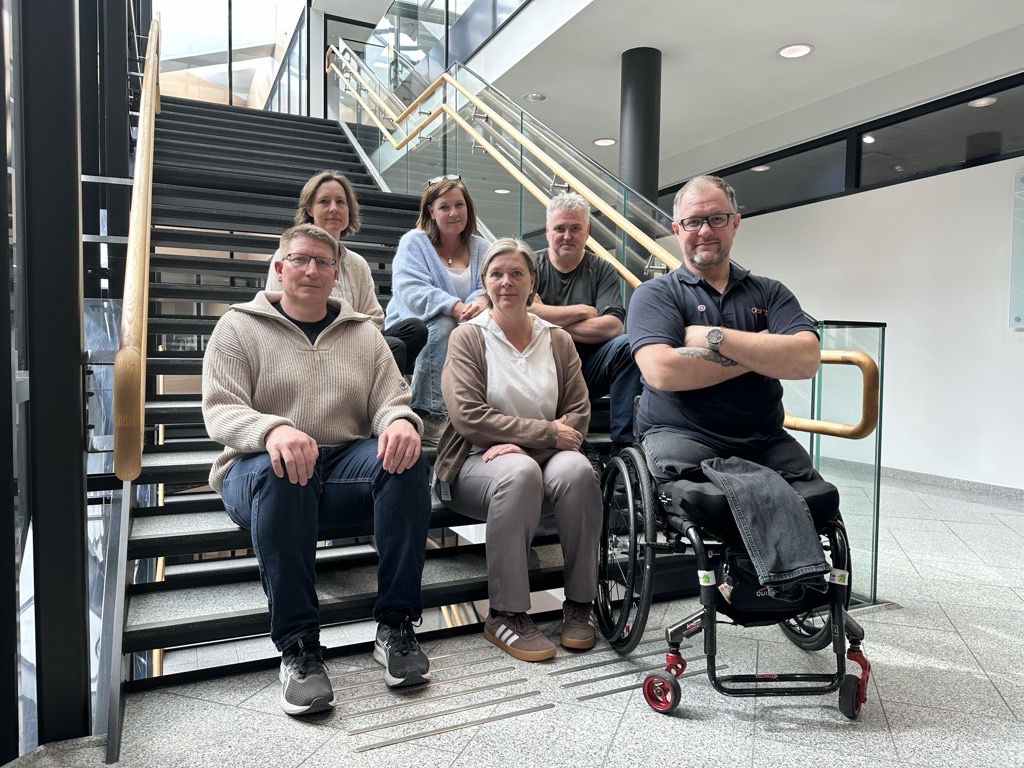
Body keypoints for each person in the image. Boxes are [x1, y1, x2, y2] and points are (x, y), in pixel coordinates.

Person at [204, 223, 432, 716]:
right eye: (300, 259)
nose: (311, 269)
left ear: (336, 274)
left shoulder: (364, 334)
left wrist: (399, 422)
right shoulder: (237, 327)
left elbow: (390, 400)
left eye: (323, 262)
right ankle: (299, 646)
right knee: (283, 470)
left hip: (342, 463)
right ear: (279, 267)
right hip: (257, 469)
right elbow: (220, 410)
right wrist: (272, 430)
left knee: (408, 459)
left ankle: (396, 625)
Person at [434, 237, 602, 662]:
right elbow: (469, 416)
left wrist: (528, 443)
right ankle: (505, 614)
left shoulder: (557, 339)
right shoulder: (468, 337)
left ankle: (580, 604)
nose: (506, 282)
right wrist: (542, 434)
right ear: (485, 282)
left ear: (533, 283)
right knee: (518, 471)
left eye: (516, 273)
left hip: (544, 458)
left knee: (578, 471)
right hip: (476, 461)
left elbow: (579, 410)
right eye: (496, 274)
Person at [626, 175, 822, 484]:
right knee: (710, 498)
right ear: (677, 230)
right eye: (692, 221)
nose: (705, 231)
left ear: (735, 223)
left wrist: (713, 338)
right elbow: (662, 371)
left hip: (764, 439)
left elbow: (806, 360)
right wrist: (762, 352)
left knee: (818, 496)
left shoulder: (771, 292)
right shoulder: (654, 295)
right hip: (680, 435)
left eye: (717, 218)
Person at [265, 170, 427, 376]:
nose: (333, 208)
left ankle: (370, 384)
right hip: (312, 342)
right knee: (394, 347)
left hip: (356, 340)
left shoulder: (357, 263)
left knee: (415, 329)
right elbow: (279, 310)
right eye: (324, 202)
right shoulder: (289, 255)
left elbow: (375, 315)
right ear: (310, 209)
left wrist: (356, 337)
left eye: (340, 202)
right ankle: (379, 392)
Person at [530, 192, 642, 453]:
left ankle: (624, 446)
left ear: (587, 231)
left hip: (588, 369)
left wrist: (543, 316)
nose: (567, 236)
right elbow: (521, 315)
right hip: (539, 370)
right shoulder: (530, 265)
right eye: (559, 228)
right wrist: (583, 311)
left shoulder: (602, 269)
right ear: (547, 231)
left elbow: (612, 326)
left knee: (628, 346)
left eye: (575, 228)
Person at [384, 175, 489, 447]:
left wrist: (478, 303)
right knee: (444, 323)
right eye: (444, 207)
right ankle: (428, 413)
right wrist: (454, 307)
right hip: (415, 326)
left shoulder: (481, 247)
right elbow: (411, 290)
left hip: (468, 323)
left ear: (468, 207)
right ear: (431, 211)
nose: (454, 213)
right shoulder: (415, 242)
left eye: (459, 205)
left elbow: (490, 286)